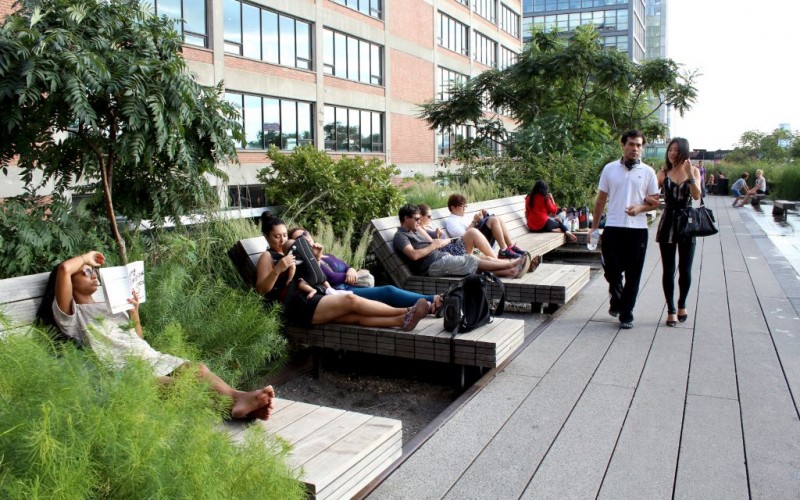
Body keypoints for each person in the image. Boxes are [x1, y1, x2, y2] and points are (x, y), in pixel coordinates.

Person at [36, 251, 276, 420]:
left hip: (147, 356)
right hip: (125, 370)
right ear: (69, 282)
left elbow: (138, 338)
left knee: (198, 369)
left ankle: (239, 397)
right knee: (175, 387)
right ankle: (233, 408)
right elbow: (64, 269)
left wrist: (134, 312)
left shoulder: (109, 306)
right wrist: (87, 257)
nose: (92, 274)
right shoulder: (72, 315)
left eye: (92, 270)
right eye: (85, 272)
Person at [256, 213, 429, 331]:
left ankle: (401, 321)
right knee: (350, 299)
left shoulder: (291, 250)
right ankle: (407, 311)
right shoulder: (267, 257)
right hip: (295, 305)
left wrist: (316, 259)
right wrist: (278, 269)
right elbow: (261, 290)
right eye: (276, 236)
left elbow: (308, 278)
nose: (282, 239)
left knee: (355, 316)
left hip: (311, 296)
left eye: (285, 235)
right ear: (267, 237)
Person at [590, 130, 660, 329]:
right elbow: (601, 200)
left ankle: (626, 313)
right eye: (631, 144)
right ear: (623, 145)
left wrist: (640, 208)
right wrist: (594, 228)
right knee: (611, 270)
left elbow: (655, 202)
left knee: (633, 273)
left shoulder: (648, 172)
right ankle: (616, 296)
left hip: (637, 229)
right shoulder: (610, 169)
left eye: (639, 145)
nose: (635, 148)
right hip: (613, 226)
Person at [287, 227, 443, 313]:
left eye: (306, 233)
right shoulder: (309, 262)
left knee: (388, 296)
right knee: (388, 291)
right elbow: (331, 279)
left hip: (353, 286)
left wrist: (352, 270)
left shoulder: (328, 255)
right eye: (300, 238)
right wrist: (317, 258)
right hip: (343, 293)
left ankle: (431, 306)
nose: (305, 237)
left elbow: (347, 267)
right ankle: (433, 299)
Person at [393, 204, 531, 279]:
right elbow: (414, 255)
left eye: (419, 218)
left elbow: (433, 241)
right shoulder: (400, 236)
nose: (419, 221)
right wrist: (434, 245)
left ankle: (512, 271)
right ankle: (512, 263)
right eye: (416, 219)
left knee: (484, 259)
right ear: (405, 218)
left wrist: (437, 240)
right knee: (470, 260)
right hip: (432, 266)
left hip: (442, 257)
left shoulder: (416, 229)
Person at [656, 138, 702, 327]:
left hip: (686, 223)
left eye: (676, 150)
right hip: (667, 221)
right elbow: (650, 192)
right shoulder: (663, 172)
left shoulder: (694, 171)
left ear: (684, 151)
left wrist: (689, 175)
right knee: (668, 269)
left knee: (685, 268)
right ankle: (671, 310)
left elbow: (696, 195)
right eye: (670, 150)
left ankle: (682, 304)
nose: (672, 153)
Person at [443, 194, 526, 259]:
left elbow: (473, 228)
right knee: (493, 220)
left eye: (465, 206)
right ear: (453, 208)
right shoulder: (451, 221)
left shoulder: (463, 217)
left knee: (497, 218)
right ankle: (503, 251)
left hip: (477, 237)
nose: (464, 209)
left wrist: (481, 219)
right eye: (462, 206)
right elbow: (465, 236)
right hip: (470, 245)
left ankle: (511, 247)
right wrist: (475, 221)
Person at [417, 203, 501, 259]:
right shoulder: (420, 228)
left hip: (457, 245)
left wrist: (438, 233)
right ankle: (501, 258)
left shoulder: (429, 225)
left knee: (488, 258)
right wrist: (474, 221)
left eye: (465, 206)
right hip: (452, 249)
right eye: (428, 216)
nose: (431, 218)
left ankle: (501, 261)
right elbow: (434, 243)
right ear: (420, 217)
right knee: (473, 232)